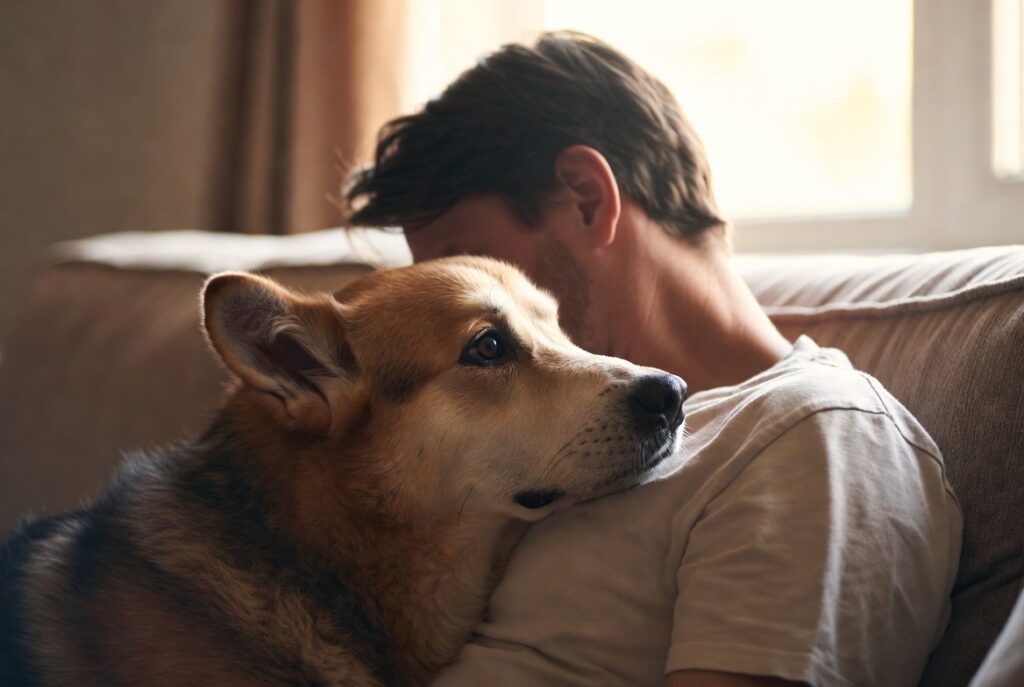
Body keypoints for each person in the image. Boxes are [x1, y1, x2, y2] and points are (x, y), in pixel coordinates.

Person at [344, 32, 962, 687]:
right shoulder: (542, 451)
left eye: (469, 262)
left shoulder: (819, 434)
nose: (454, 293)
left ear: (587, 198)